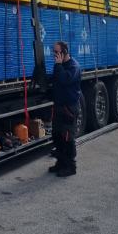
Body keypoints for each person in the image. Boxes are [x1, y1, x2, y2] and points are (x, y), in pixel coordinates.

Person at [49, 41, 82, 177]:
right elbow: (56, 82)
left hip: (69, 107)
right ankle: (61, 163)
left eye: (57, 52)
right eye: (54, 52)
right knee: (57, 135)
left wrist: (58, 65)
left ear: (65, 52)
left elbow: (64, 79)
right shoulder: (60, 66)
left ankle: (70, 166)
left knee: (67, 137)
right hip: (59, 106)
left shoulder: (73, 66)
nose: (54, 55)